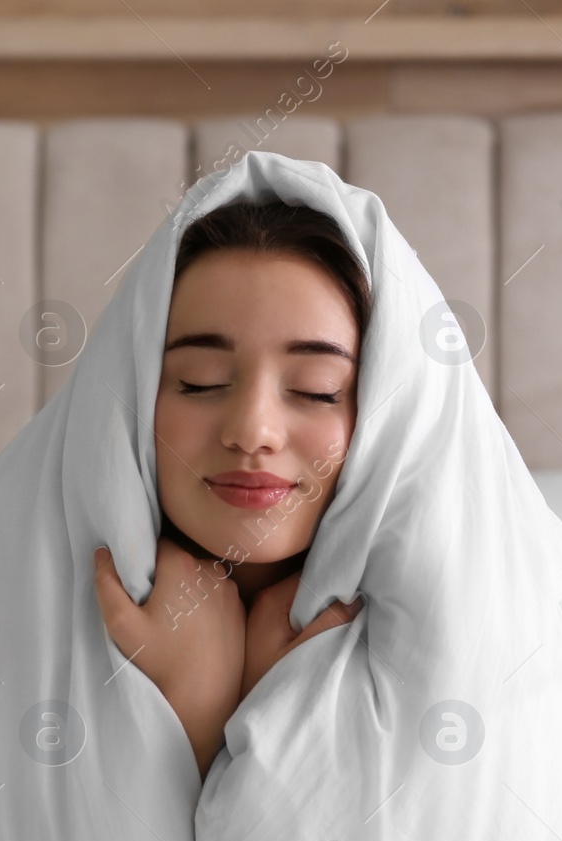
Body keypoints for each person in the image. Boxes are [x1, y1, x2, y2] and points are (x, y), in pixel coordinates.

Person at [92, 200, 368, 781]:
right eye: (201, 382)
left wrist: (270, 713)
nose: (251, 433)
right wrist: (196, 714)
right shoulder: (24, 608)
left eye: (318, 391)